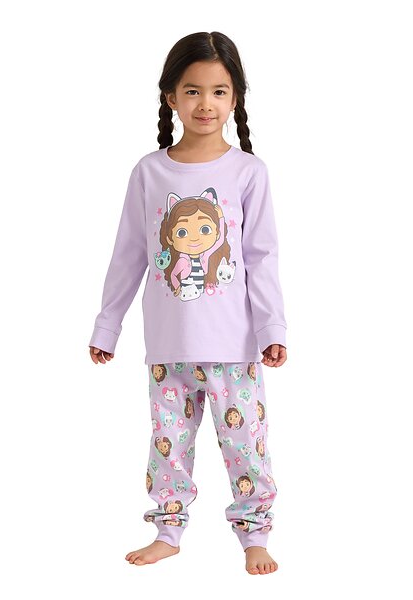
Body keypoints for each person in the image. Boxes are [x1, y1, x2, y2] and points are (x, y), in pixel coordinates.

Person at [88, 31, 288, 576]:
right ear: (171, 97)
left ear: (236, 97)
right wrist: (107, 326)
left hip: (233, 346)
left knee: (245, 443)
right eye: (193, 90)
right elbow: (129, 253)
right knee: (167, 445)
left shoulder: (248, 172)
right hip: (168, 345)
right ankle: (168, 531)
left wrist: (272, 328)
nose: (206, 104)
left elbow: (261, 256)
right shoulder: (150, 172)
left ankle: (254, 535)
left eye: (219, 91)